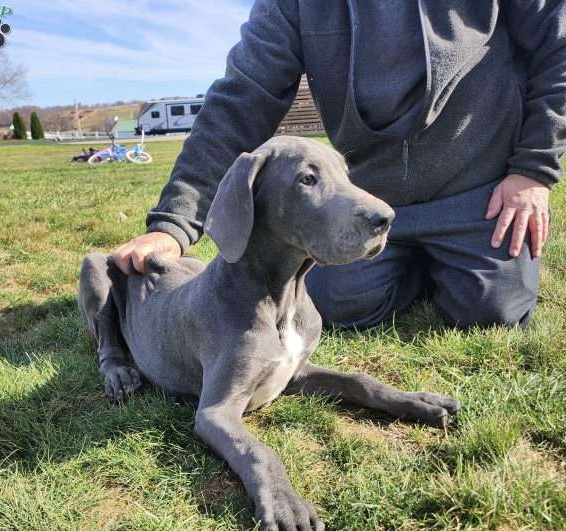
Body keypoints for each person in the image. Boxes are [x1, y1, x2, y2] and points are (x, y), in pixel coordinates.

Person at [112, 0, 566, 329]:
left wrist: (533, 170)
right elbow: (240, 99)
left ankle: (445, 261)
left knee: (493, 313)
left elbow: (559, 45)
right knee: (335, 307)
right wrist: (172, 224)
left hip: (478, 189)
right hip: (368, 196)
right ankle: (408, 261)